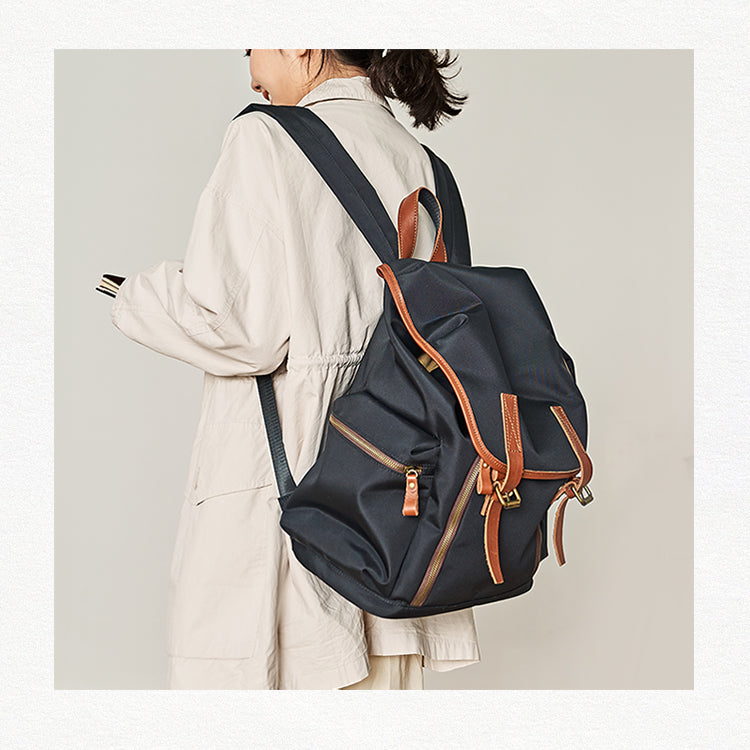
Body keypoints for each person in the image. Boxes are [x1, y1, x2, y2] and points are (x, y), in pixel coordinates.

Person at [108, 49, 481, 690]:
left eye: (252, 43)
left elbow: (239, 327)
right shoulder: (424, 166)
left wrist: (137, 296)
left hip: (294, 522)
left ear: (300, 40)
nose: (249, 65)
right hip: (401, 534)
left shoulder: (266, 138)